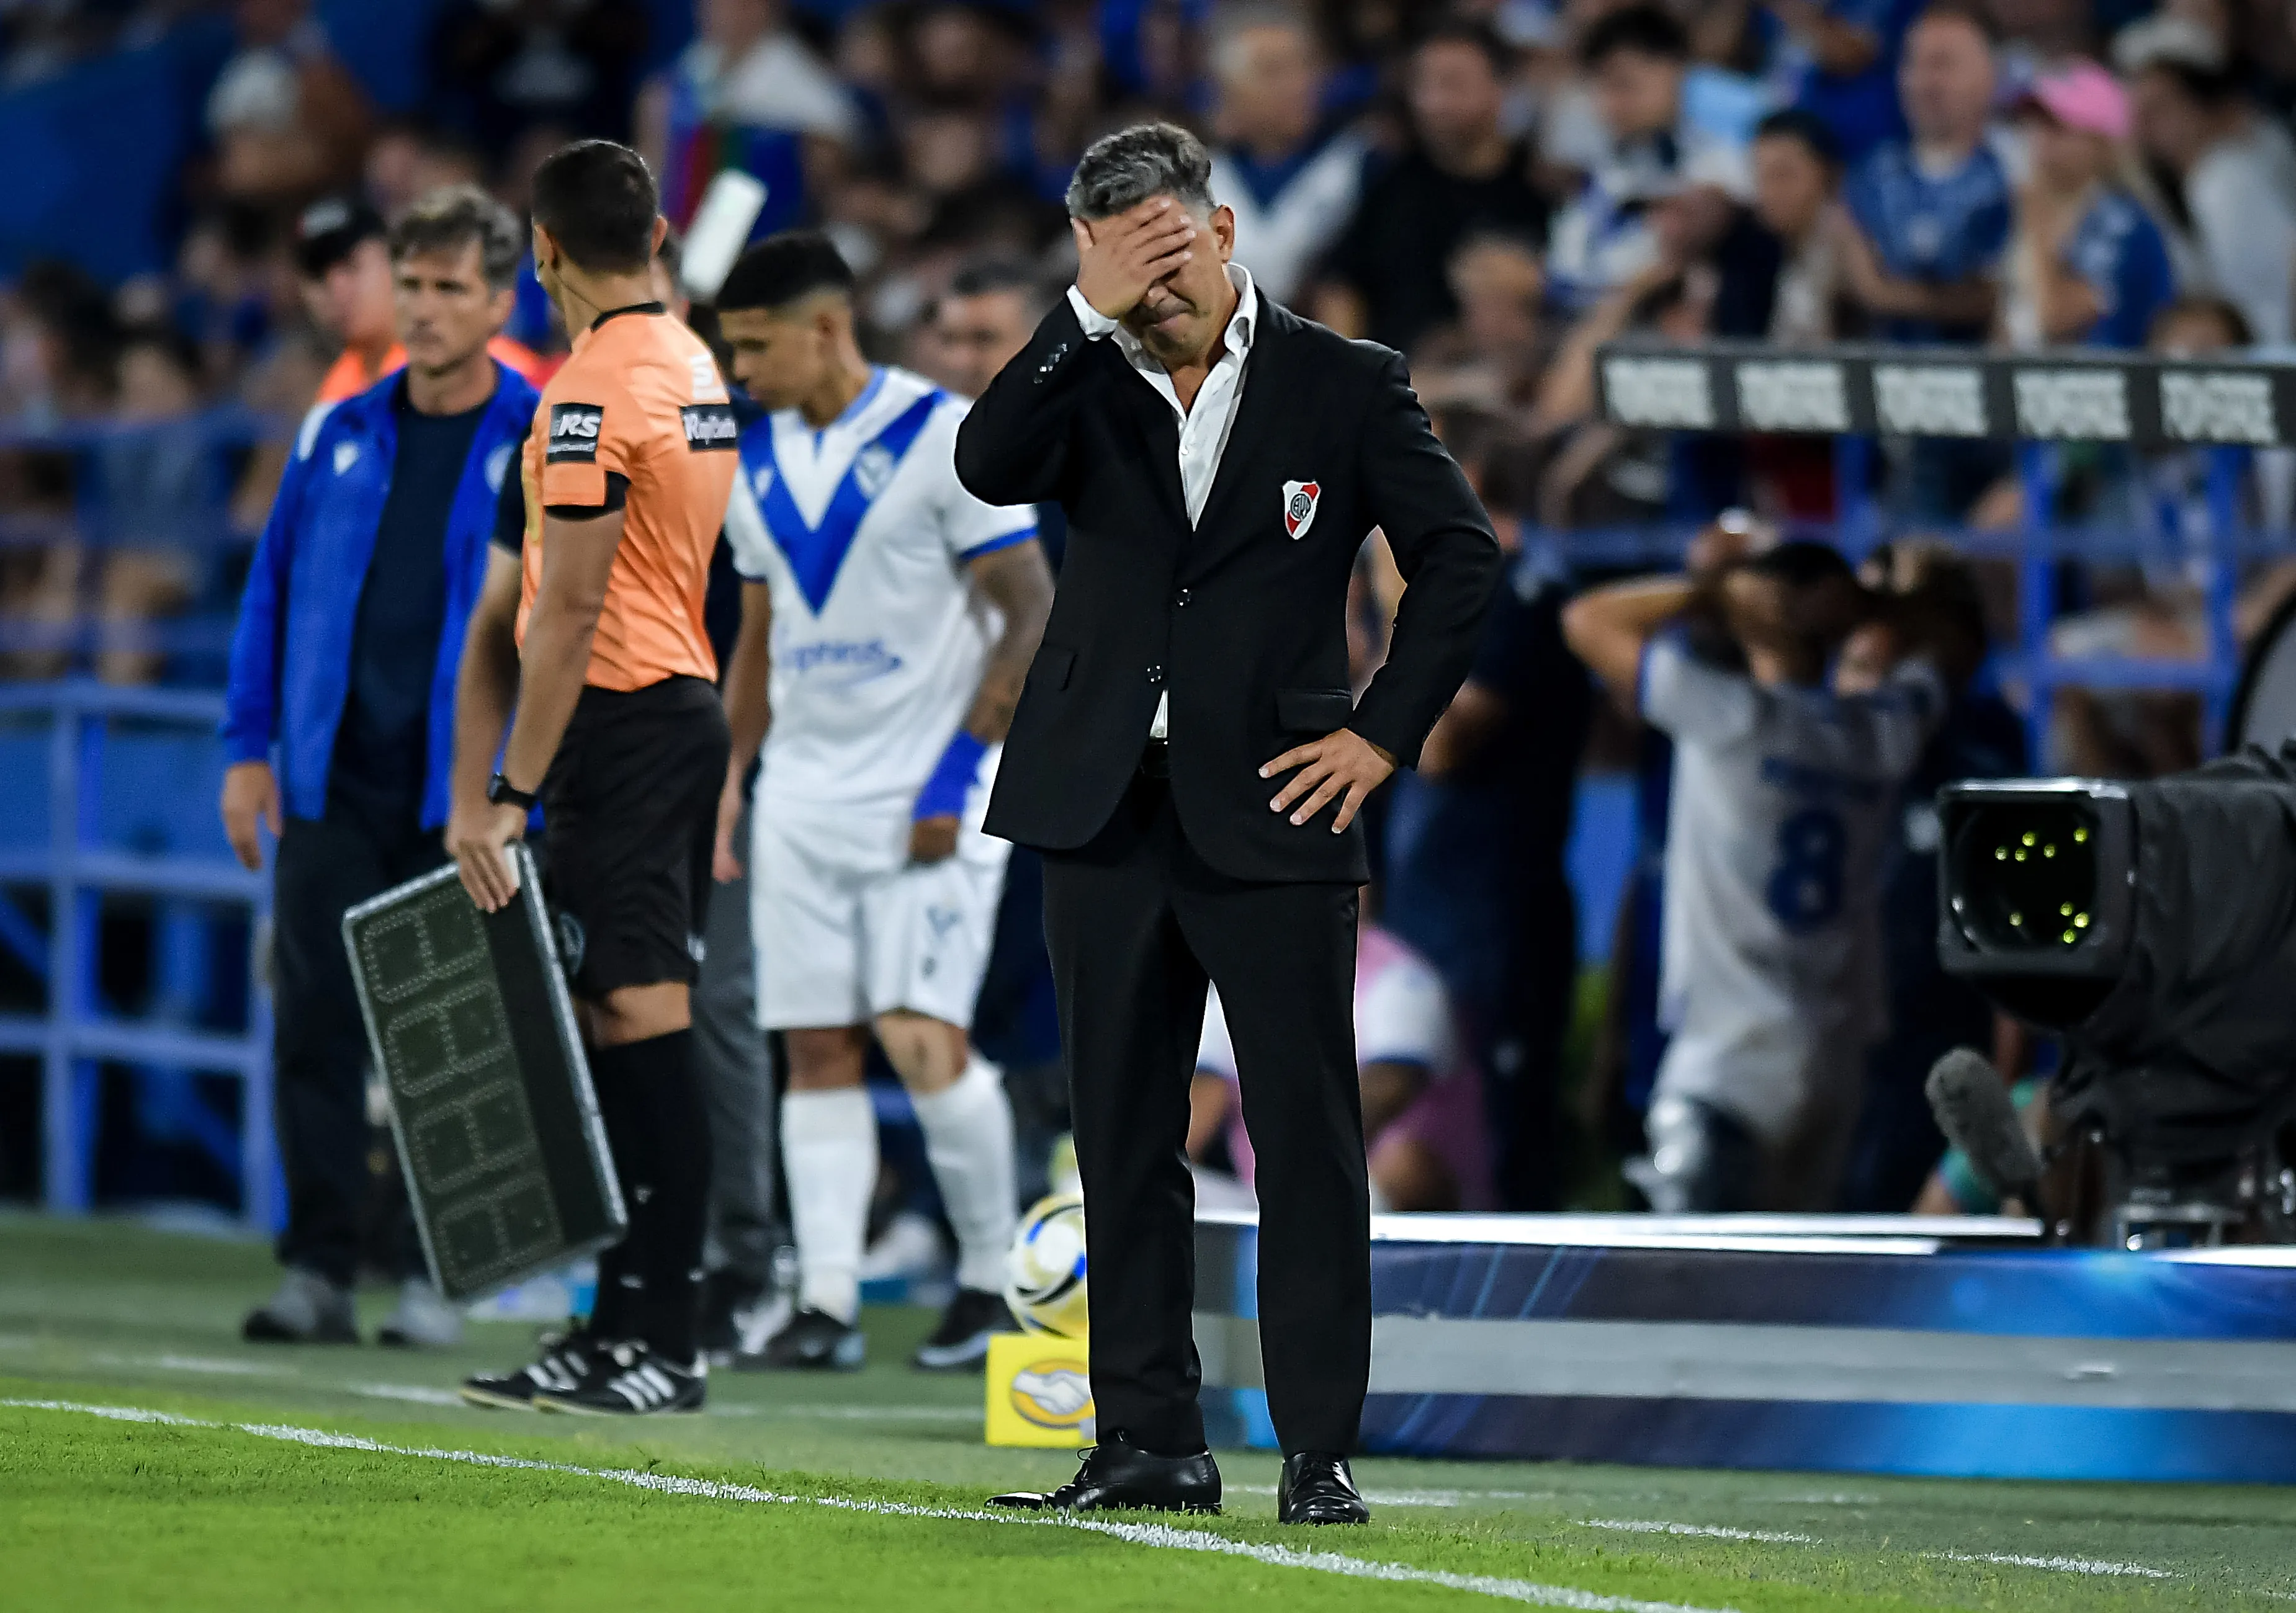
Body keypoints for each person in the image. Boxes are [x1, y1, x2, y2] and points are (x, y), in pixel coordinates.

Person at [956, 123, 1500, 1523]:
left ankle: (1314, 1448)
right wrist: (1079, 311)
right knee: (1121, 1141)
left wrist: (1381, 732)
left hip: (1273, 801)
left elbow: (1457, 560)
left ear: (1224, 231)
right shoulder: (1077, 375)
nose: (1161, 287)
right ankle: (1146, 1441)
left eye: (1175, 251)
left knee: (1306, 1139)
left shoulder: (1345, 382)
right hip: (1098, 805)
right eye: (1125, 261)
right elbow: (985, 462)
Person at [710, 231, 1055, 1372]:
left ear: (825, 327)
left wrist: (961, 775)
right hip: (803, 795)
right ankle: (826, 1304)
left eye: (756, 347)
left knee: (921, 1040)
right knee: (814, 1049)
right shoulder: (752, 466)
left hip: (929, 793)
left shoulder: (943, 436)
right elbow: (758, 643)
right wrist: (730, 780)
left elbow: (1032, 612)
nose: (741, 371)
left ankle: (991, 1277)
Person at [220, 185, 540, 1349]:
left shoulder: (542, 430)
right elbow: (272, 595)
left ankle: (432, 1277)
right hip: (329, 777)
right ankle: (318, 1268)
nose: (429, 308)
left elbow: (564, 624)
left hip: (462, 790)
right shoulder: (337, 429)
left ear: (501, 300)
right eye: (413, 284)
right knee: (312, 1024)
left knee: (450, 1033)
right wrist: (245, 751)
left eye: (454, 288)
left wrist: (518, 787)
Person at [451, 140, 738, 1416]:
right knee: (618, 1024)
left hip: (620, 720)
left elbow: (564, 614)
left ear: (543, 251)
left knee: (643, 1022)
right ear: (660, 236)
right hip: (672, 708)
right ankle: (615, 1324)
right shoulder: (690, 365)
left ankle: (665, 1338)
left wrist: (509, 792)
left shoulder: (585, 395)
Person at [1563, 540, 1942, 1213]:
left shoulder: (1724, 711)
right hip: (1834, 1059)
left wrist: (1711, 591)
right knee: (1794, 1299)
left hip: (1728, 1059)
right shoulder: (1876, 730)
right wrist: (1862, 606)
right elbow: (1956, 635)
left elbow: (1586, 620)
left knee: (1692, 1295)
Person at [1190, 918, 1494, 1212]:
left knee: (1403, 1163)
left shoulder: (1403, 979)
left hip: (1382, 1194)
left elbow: (1386, 1092)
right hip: (1273, 1199)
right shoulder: (1245, 984)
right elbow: (1197, 1107)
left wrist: (1299, 1172)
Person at [1314, 20, 1548, 351]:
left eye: (1453, 84)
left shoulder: (1541, 187)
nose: (1435, 102)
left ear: (1502, 87)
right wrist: (1348, 366)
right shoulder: (1390, 181)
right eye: (1424, 85)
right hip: (1394, 378)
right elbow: (1341, 284)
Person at [1546, 5, 1753, 313]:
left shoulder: (1725, 163)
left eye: (1625, 84)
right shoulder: (1603, 174)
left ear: (1674, 71)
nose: (1611, 104)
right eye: (1602, 88)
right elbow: (1565, 276)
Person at [298, 197, 547, 406]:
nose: (336, 289)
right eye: (318, 276)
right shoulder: (339, 389)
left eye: (351, 266)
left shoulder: (480, 361)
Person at [2001, 60, 2175, 351]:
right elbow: (2008, 330)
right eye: (2034, 124)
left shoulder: (2121, 223)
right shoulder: (2036, 210)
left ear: (2101, 143)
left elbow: (2054, 320)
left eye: (2058, 126)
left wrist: (2036, 228)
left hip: (2113, 386)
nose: (2041, 139)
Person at [1204, 5, 1368, 306]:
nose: (1297, 86)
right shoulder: (1198, 182)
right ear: (1226, 90)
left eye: (1304, 67)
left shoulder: (1362, 164)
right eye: (1273, 72)